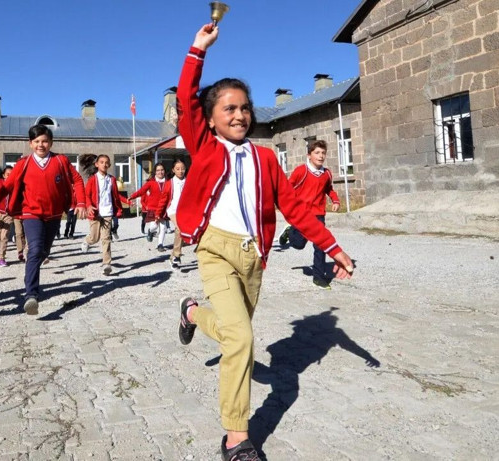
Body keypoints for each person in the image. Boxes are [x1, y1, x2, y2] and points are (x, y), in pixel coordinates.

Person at [174, 24, 355, 461]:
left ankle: (193, 312)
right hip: (214, 249)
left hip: (254, 255)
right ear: (212, 117)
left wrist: (333, 248)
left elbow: (294, 208)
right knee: (240, 339)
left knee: (238, 334)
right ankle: (237, 437)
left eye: (244, 108)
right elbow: (185, 98)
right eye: (229, 108)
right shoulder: (204, 145)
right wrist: (198, 50)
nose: (239, 115)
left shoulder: (266, 157)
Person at [0, 124, 86, 315]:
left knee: (43, 251)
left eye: (44, 141)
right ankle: (31, 295)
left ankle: (33, 262)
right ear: (30, 144)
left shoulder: (60, 161)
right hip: (31, 213)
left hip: (53, 215)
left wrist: (81, 203)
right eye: (36, 141)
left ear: (51, 142)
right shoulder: (23, 164)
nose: (41, 145)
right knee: (35, 250)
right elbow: (7, 186)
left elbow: (77, 180)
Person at [277, 140, 341, 289]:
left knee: (321, 245)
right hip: (301, 214)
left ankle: (319, 278)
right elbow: (287, 187)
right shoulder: (302, 171)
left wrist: (335, 200)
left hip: (318, 215)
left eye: (323, 153)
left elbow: (329, 189)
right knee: (298, 245)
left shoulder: (326, 174)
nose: (321, 156)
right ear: (309, 155)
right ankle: (290, 230)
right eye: (317, 153)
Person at [79, 154, 123, 276]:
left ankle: (106, 263)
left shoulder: (112, 179)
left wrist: (123, 204)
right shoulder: (92, 179)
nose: (104, 164)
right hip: (95, 213)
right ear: (97, 164)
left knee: (106, 239)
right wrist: (88, 206)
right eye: (102, 162)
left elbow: (115, 196)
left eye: (106, 162)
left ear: (109, 165)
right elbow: (86, 195)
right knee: (94, 237)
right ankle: (87, 242)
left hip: (107, 212)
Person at [130, 163, 171, 251]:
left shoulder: (169, 182)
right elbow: (141, 191)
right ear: (155, 172)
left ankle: (160, 245)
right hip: (153, 208)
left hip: (164, 208)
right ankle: (150, 231)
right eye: (158, 170)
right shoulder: (151, 182)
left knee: (163, 227)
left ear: (164, 171)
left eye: (162, 170)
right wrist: (132, 196)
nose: (160, 172)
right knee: (154, 226)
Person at [166, 158, 187, 270]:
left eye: (182, 168)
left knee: (182, 232)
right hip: (173, 210)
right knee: (179, 229)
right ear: (173, 170)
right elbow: (164, 199)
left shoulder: (189, 181)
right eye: (178, 169)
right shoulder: (170, 183)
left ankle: (173, 256)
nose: (180, 171)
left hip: (185, 210)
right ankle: (177, 255)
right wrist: (158, 214)